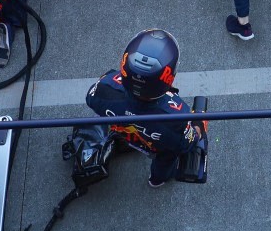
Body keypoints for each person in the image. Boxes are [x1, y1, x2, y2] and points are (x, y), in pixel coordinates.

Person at [84, 29, 202, 188]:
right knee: (166, 159)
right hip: (157, 145)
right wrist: (199, 124)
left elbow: (91, 99)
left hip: (124, 133)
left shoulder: (103, 89)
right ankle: (157, 180)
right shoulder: (176, 117)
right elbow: (188, 143)